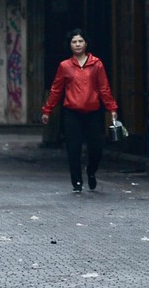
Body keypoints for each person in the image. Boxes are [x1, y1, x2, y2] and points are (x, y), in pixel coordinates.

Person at [41, 29, 120, 194]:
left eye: (80, 41)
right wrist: (47, 110)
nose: (77, 45)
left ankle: (91, 171)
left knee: (96, 147)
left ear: (86, 43)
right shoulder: (65, 66)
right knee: (73, 148)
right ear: (69, 45)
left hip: (93, 112)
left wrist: (111, 108)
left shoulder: (97, 64)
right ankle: (76, 181)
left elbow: (104, 88)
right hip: (72, 113)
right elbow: (56, 90)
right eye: (74, 42)